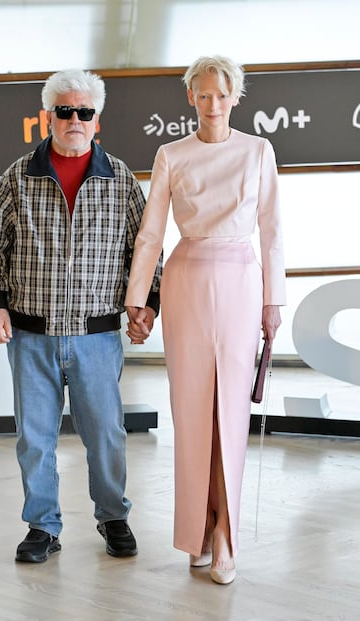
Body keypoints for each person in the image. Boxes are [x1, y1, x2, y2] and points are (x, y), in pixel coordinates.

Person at [0, 69, 161, 563]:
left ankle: (114, 516)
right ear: (48, 116)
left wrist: (148, 304)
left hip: (96, 337)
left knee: (105, 435)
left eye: (84, 111)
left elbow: (143, 252)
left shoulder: (120, 177)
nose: (74, 119)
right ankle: (42, 527)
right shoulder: (18, 175)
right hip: (29, 334)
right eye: (64, 110)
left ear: (96, 118)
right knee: (35, 439)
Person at [125, 55, 286, 585]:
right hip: (187, 279)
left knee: (231, 413)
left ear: (235, 97)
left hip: (241, 283)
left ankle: (225, 537)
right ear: (190, 97)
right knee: (193, 412)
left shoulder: (259, 150)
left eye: (223, 94)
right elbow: (151, 236)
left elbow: (271, 233)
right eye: (204, 94)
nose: (213, 104)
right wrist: (138, 301)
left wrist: (273, 302)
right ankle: (198, 529)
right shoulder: (171, 155)